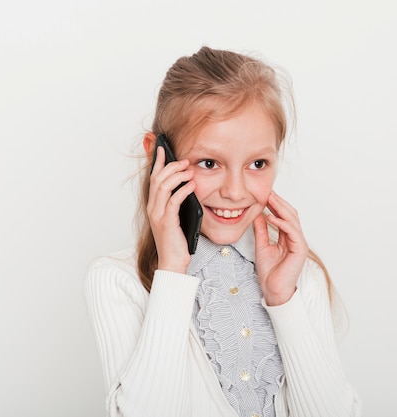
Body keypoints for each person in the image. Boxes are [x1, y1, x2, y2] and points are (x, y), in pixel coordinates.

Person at [84, 46, 362, 417]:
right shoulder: (117, 281)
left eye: (258, 163)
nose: (235, 190)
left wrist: (283, 300)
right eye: (209, 163)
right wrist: (172, 273)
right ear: (159, 157)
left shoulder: (298, 276)